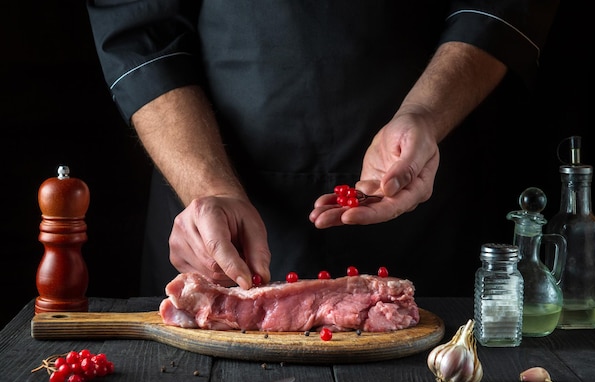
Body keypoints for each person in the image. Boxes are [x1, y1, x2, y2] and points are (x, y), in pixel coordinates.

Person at [86, 1, 560, 297]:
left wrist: (424, 115)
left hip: (425, 200)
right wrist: (207, 185)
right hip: (214, 206)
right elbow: (139, 26)